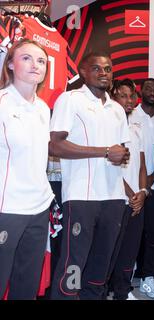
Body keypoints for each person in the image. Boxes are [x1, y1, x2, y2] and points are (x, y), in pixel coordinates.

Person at [49, 52, 130, 300]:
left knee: (100, 268)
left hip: (113, 198)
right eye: (96, 68)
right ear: (83, 73)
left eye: (108, 68)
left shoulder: (117, 108)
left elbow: (122, 152)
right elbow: (54, 145)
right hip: (82, 196)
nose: (103, 72)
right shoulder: (70, 100)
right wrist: (105, 152)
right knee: (74, 265)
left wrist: (120, 158)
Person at [0, 39, 54, 300]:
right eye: (27, 58)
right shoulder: (2, 103)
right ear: (10, 63)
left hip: (38, 208)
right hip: (7, 209)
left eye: (41, 60)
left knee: (27, 285)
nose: (36, 65)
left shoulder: (43, 108)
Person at [108, 79, 147, 300]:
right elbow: (109, 165)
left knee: (130, 250)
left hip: (135, 199)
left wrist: (142, 191)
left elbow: (141, 165)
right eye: (123, 95)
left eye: (132, 95)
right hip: (115, 198)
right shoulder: (109, 125)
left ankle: (122, 291)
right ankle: (106, 290)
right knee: (111, 250)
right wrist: (131, 194)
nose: (129, 100)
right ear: (114, 96)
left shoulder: (136, 128)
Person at [130, 78, 154, 298]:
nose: (152, 92)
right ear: (141, 91)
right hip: (133, 186)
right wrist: (143, 183)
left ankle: (147, 278)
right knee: (132, 236)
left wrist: (152, 179)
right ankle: (124, 278)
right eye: (148, 88)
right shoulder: (131, 116)